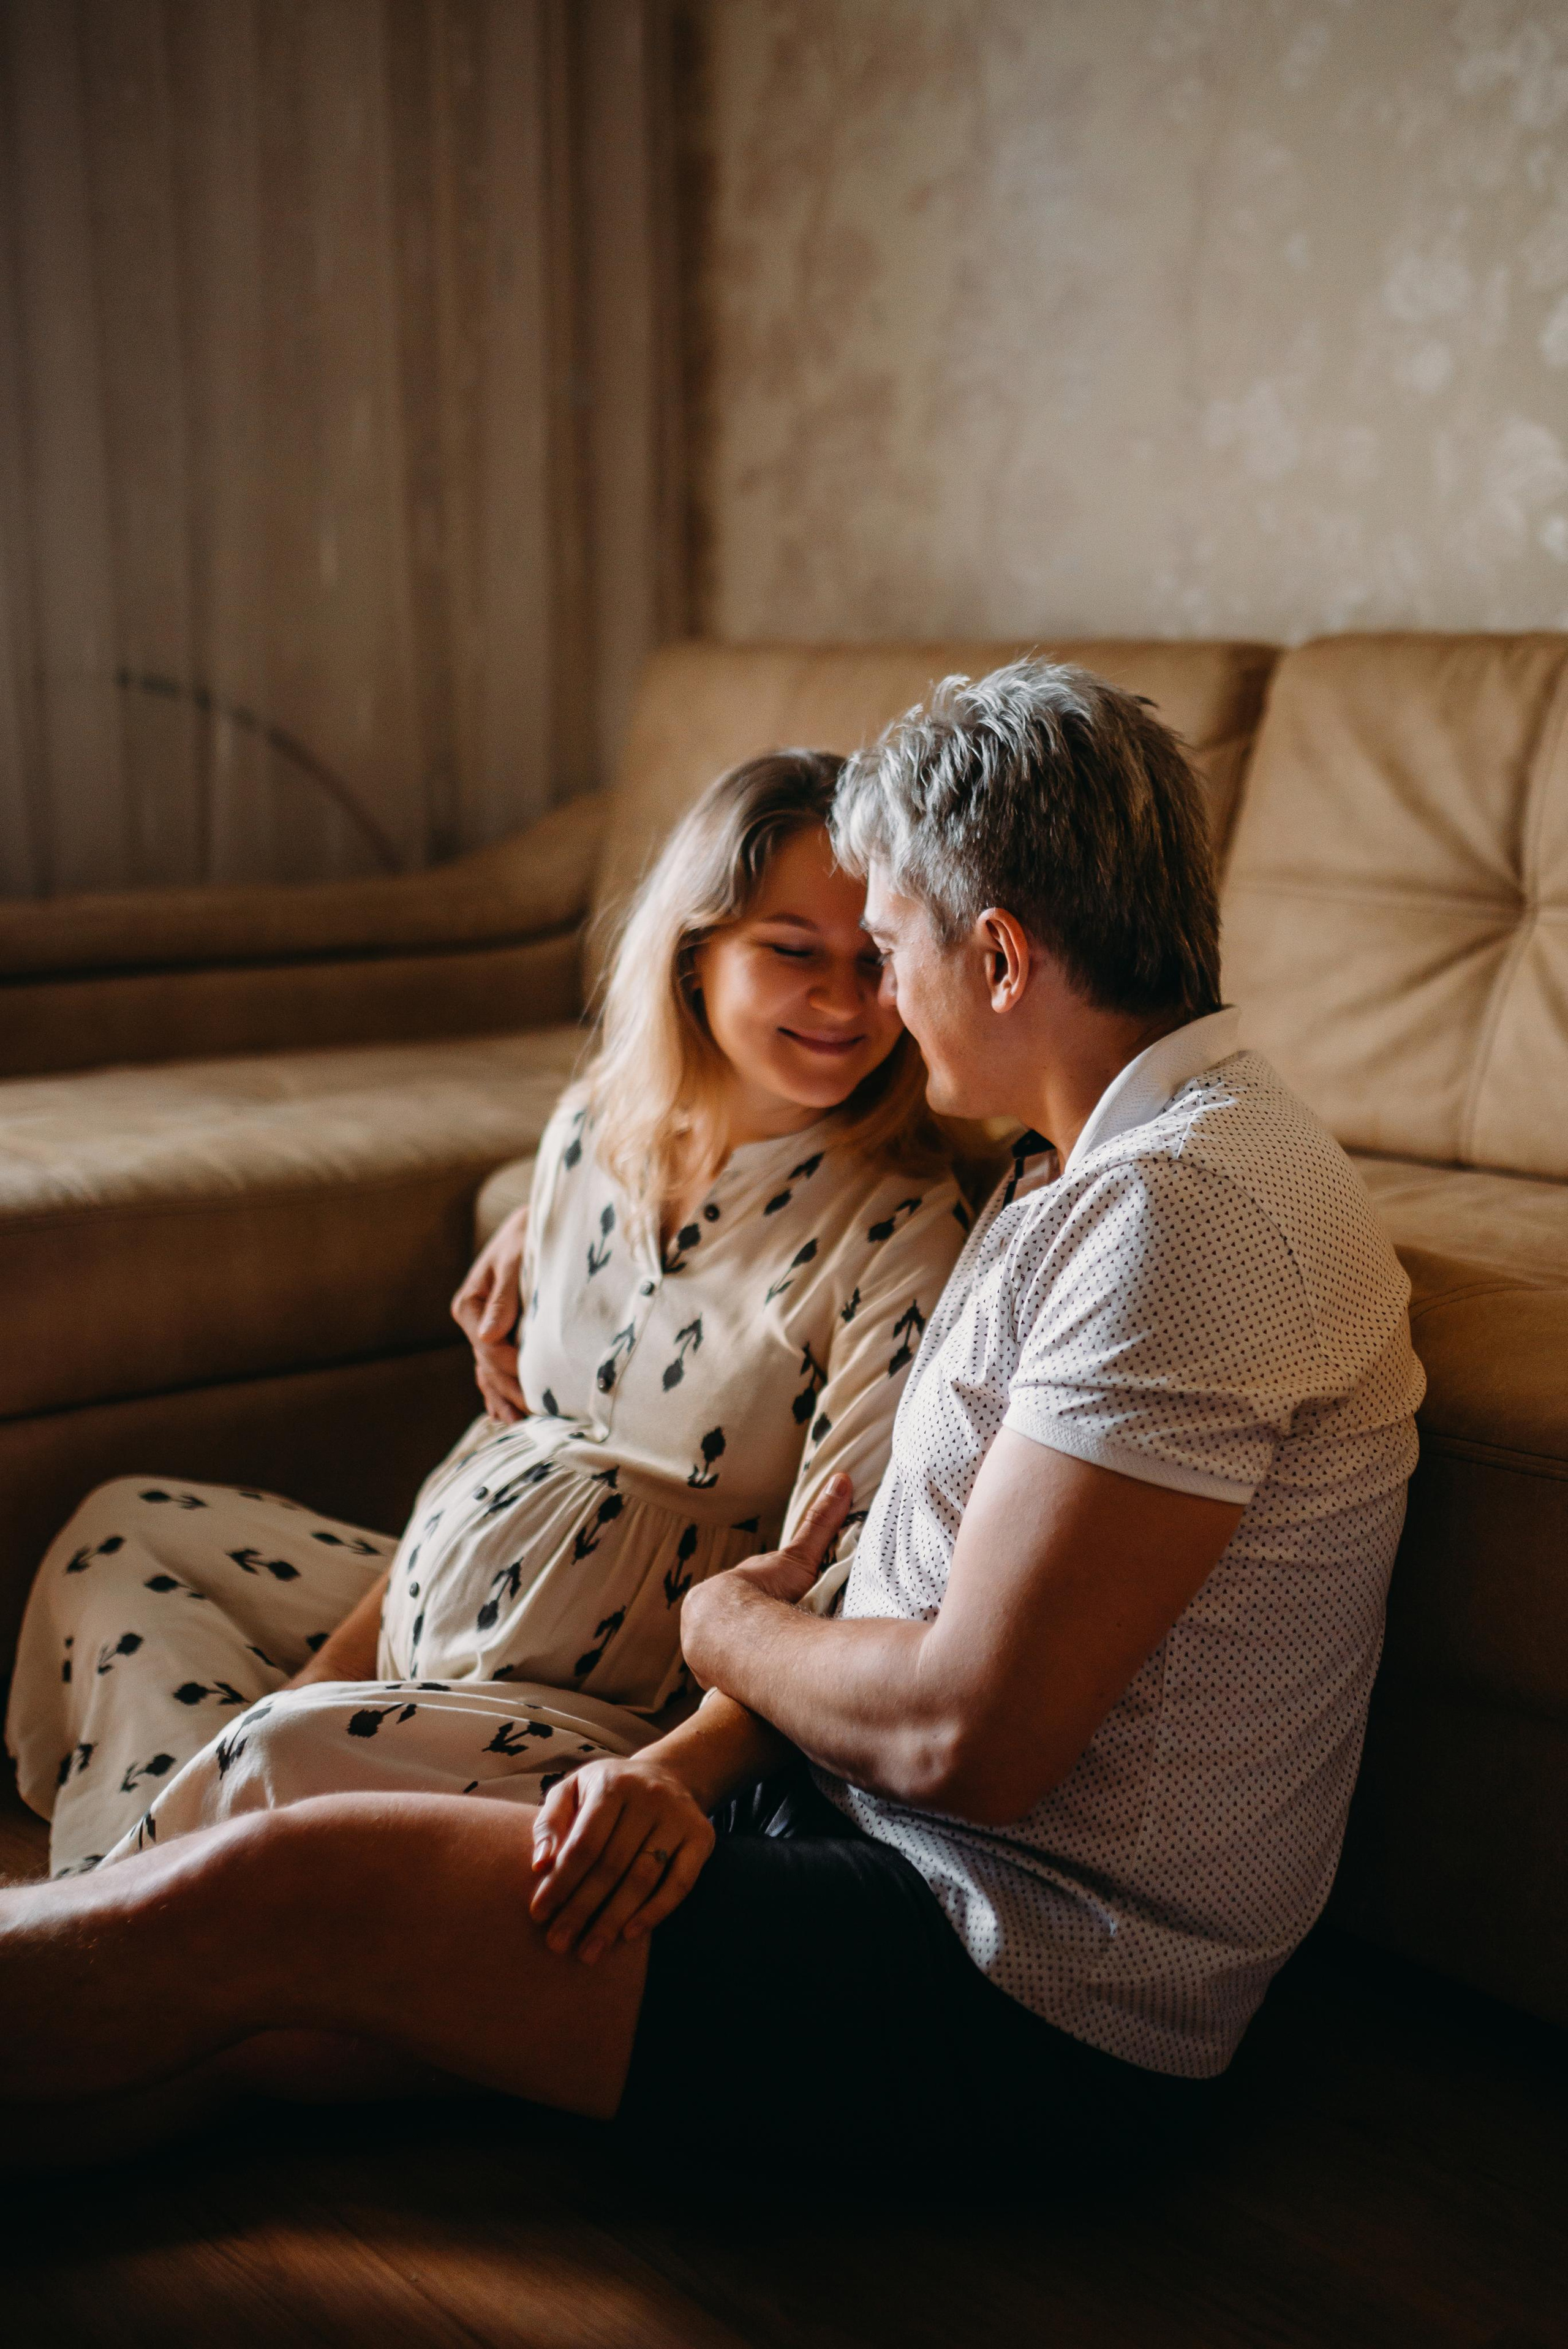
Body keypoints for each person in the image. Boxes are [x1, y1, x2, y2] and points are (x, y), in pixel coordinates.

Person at [0, 660, 1423, 2187]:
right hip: (845, 1842)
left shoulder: (1183, 1217)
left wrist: (726, 1634)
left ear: (997, 956)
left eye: (888, 951)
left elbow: (965, 1739)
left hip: (997, 1978)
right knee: (247, 2032)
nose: (874, 1001)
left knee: (287, 1894)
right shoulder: (1087, 1165)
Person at [5, 752, 965, 1883]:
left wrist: (664, 1775)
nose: (846, 1002)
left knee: (274, 1753)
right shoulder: (590, 1133)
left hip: (602, 1727)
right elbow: (497, 1452)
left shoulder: (904, 1230)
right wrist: (329, 1675)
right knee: (124, 1532)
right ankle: (185, 1853)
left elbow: (842, 1585)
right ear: (693, 949)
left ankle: (111, 1915)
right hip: (423, 1641)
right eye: (794, 950)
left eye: (877, 962)